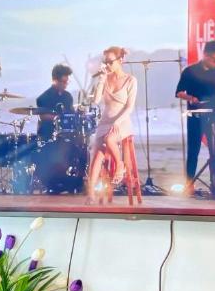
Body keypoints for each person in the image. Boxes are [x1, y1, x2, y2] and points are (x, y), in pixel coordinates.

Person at [175, 40, 215, 196]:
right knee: (194, 150)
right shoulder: (190, 71)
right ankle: (189, 184)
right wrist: (190, 98)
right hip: (195, 115)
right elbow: (179, 92)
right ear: (205, 55)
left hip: (214, 114)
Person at [86, 46, 138, 201]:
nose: (107, 65)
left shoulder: (130, 80)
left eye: (110, 62)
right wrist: (101, 80)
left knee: (109, 139)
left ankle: (120, 165)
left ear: (121, 60)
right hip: (105, 122)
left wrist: (117, 121)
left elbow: (129, 107)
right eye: (105, 62)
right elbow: (96, 100)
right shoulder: (106, 78)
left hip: (122, 122)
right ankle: (91, 194)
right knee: (97, 153)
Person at [35, 64, 75, 141]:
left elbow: (71, 114)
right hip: (49, 136)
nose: (66, 84)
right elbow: (43, 116)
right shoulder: (43, 98)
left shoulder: (68, 96)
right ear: (55, 80)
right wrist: (60, 117)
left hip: (67, 136)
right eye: (64, 82)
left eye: (67, 81)